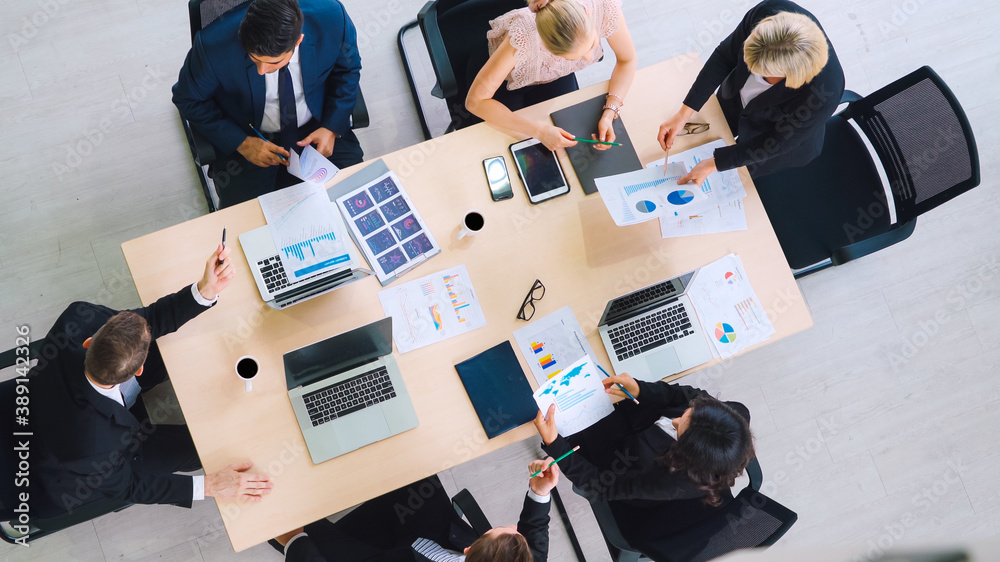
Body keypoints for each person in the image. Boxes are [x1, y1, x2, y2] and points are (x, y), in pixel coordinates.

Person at [30, 245, 274, 518]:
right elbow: (130, 486)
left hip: (69, 404)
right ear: (139, 370)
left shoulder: (78, 319)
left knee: (178, 342)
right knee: (203, 447)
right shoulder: (93, 449)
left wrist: (205, 290)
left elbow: (147, 321)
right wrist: (210, 485)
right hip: (66, 468)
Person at [172, 0, 364, 208]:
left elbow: (348, 70)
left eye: (273, 62)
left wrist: (331, 127)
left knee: (358, 200)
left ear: (298, 41)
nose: (261, 71)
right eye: (254, 59)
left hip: (317, 125)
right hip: (250, 134)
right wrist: (241, 143)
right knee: (244, 221)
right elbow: (187, 98)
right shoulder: (213, 47)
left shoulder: (332, 18)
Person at [533, 374, 753, 549]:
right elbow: (689, 395)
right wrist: (641, 389)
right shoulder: (737, 414)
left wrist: (555, 444)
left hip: (618, 459)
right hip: (636, 418)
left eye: (679, 428)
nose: (675, 419)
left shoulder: (665, 477)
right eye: (689, 412)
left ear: (681, 454)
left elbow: (599, 486)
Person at [658, 0, 844, 184]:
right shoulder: (767, 11)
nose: (753, 74)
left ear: (791, 77)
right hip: (732, 102)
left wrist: (715, 163)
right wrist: (684, 113)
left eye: (763, 74)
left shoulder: (825, 91)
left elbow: (777, 142)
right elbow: (724, 57)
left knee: (732, 183)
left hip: (772, 139)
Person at [269, 460, 558, 561]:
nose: (510, 524)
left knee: (287, 527)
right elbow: (535, 550)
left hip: (379, 559)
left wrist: (295, 543)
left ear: (471, 551)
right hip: (433, 535)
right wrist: (539, 492)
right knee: (415, 464)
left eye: (501, 529)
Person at [466, 0, 637, 151]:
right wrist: (538, 131)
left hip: (551, 76)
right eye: (574, 57)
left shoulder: (603, 5)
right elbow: (475, 102)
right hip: (503, 79)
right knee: (506, 144)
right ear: (547, 48)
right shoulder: (524, 36)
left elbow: (627, 60)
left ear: (587, 13)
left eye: (592, 44)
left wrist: (610, 110)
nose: (588, 57)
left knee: (569, 137)